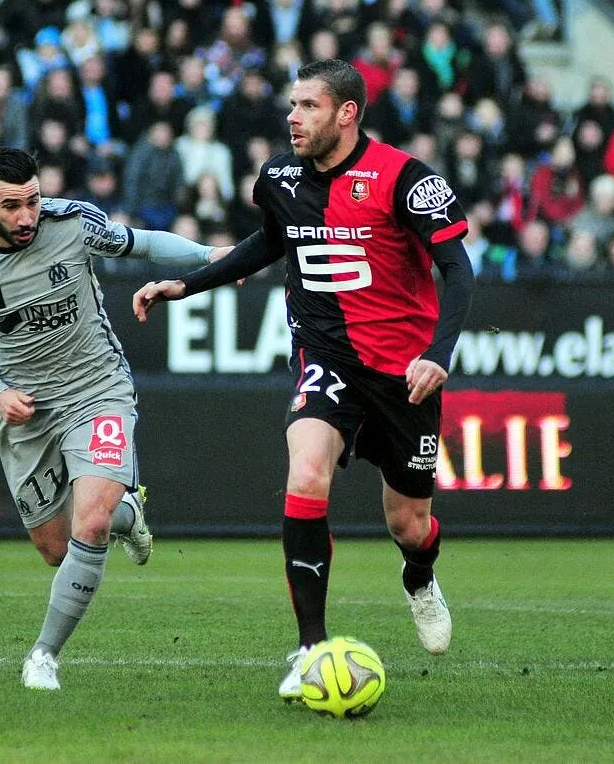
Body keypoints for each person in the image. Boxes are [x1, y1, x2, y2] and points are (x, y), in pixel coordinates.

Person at [131, 59, 475, 700]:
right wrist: (190, 284)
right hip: (326, 358)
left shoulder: (406, 179)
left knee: (409, 522)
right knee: (306, 472)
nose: (293, 117)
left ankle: (419, 576)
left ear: (347, 112)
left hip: (405, 375)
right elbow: (270, 243)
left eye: (309, 106)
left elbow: (458, 268)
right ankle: (310, 648)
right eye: (292, 105)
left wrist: (439, 354)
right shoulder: (280, 179)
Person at [0, 147, 230, 691]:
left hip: (98, 389)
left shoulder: (73, 223)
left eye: (33, 201)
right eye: (11, 206)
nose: (26, 217)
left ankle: (44, 655)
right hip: (28, 409)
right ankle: (128, 514)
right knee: (55, 548)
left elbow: (143, 243)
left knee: (87, 524)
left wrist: (213, 255)